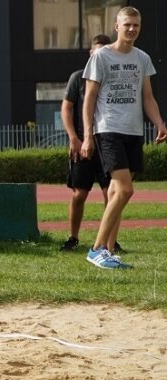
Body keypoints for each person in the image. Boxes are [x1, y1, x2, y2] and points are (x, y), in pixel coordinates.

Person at [81, 6, 167, 269]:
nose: (132, 29)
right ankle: (96, 249)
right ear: (116, 26)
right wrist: (87, 135)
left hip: (133, 131)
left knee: (118, 191)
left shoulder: (142, 58)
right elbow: (89, 98)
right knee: (126, 189)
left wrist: (159, 123)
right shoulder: (102, 56)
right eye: (127, 24)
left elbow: (147, 96)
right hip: (108, 129)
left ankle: (108, 251)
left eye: (136, 25)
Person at [58, 34, 113, 252]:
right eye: (96, 51)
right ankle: (73, 237)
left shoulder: (113, 78)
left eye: (103, 51)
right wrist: (73, 138)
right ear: (91, 53)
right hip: (83, 143)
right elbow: (66, 108)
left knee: (111, 193)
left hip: (108, 143)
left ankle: (110, 240)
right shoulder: (78, 77)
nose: (99, 55)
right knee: (79, 194)